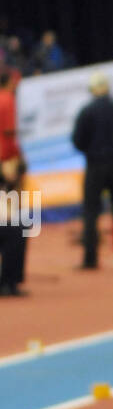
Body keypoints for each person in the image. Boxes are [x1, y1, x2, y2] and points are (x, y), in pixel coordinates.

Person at [71, 74, 113, 269]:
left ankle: (90, 259)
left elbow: (77, 139)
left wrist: (92, 151)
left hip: (95, 164)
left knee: (91, 212)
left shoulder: (87, 111)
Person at [0, 69, 27, 296]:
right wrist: (16, 160)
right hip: (4, 165)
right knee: (14, 225)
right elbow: (9, 134)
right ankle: (10, 280)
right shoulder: (7, 99)